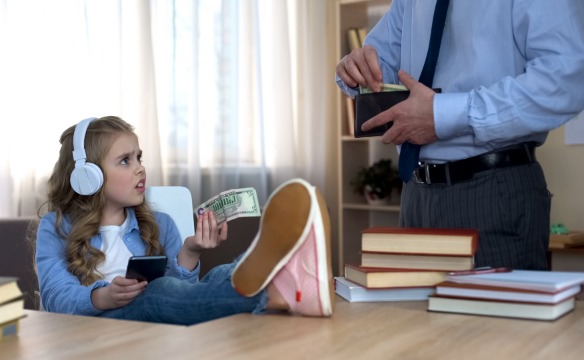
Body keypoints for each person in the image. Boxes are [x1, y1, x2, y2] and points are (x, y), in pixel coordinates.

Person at [335, 0, 584, 270]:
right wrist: (355, 68)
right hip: (415, 193)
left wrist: (444, 114)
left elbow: (565, 81)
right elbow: (379, 65)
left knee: (485, 313)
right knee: (409, 313)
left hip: (492, 193)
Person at [35, 116, 334, 325]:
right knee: (158, 291)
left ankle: (285, 276)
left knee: (219, 274)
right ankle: (283, 289)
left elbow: (185, 297)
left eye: (139, 157)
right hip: (98, 329)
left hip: (153, 326)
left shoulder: (160, 223)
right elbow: (55, 296)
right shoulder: (56, 227)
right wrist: (103, 296)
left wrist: (190, 253)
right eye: (125, 161)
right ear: (88, 178)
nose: (140, 168)